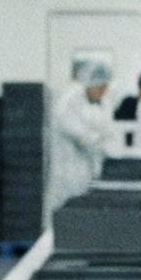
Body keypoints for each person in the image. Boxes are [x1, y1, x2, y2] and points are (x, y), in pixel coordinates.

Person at [45, 60, 118, 214]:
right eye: (101, 87)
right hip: (67, 172)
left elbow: (109, 132)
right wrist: (104, 145)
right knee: (64, 216)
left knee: (83, 218)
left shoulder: (102, 102)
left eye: (106, 87)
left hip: (89, 171)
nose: (104, 91)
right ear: (90, 83)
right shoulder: (68, 103)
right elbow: (83, 137)